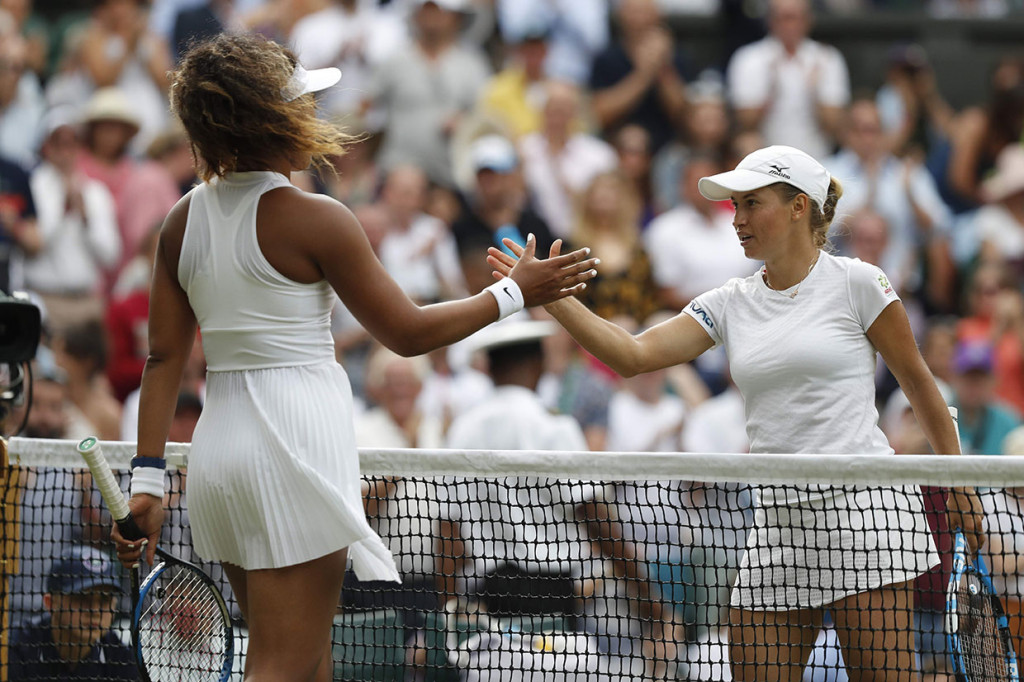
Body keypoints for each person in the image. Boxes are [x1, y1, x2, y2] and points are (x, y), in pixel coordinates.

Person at [109, 33, 596, 682]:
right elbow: (407, 331)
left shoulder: (179, 221)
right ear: (272, 121)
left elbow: (163, 357)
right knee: (283, 666)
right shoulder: (318, 218)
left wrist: (145, 481)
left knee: (310, 665)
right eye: (302, 104)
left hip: (218, 459)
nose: (314, 114)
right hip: (293, 453)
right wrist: (514, 293)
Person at [489, 143, 984, 681]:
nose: (739, 219)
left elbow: (921, 385)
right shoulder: (729, 301)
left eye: (752, 204)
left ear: (799, 207)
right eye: (736, 207)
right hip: (774, 526)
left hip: (863, 519)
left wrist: (957, 483)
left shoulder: (859, 283)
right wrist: (549, 295)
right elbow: (632, 355)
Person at [8, 544, 138, 681]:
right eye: (82, 598)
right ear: (50, 603)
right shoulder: (15, 649)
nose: (95, 611)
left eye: (105, 599)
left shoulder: (121, 658)